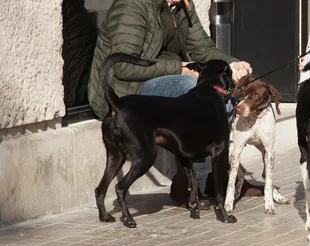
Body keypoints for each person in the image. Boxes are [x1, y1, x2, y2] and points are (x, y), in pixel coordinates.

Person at [87, 0, 260, 209]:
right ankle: (184, 183)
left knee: (224, 92)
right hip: (125, 92)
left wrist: (231, 65)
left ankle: (221, 177)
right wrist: (178, 68)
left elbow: (203, 48)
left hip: (157, 78)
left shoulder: (183, 5)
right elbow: (123, 67)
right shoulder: (132, 5)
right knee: (189, 86)